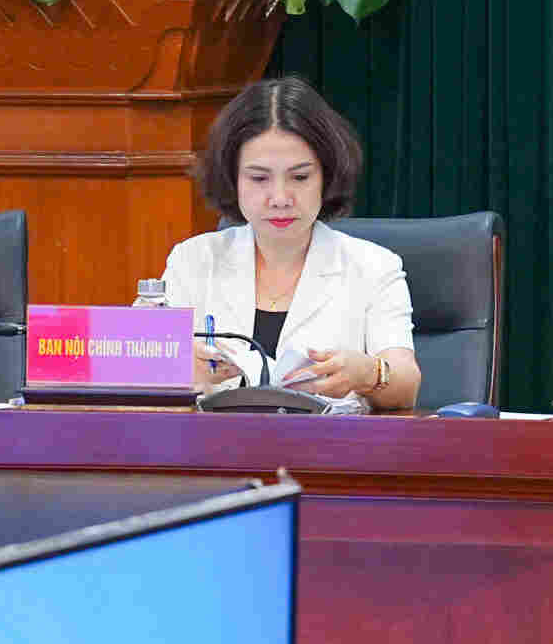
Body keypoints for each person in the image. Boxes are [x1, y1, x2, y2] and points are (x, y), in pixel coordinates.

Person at [160, 77, 420, 411]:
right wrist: (174, 366)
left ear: (326, 176)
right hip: (213, 452)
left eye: (299, 177)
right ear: (232, 178)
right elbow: (134, 368)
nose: (280, 198)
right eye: (258, 178)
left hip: (329, 454)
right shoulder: (192, 260)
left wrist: (368, 373)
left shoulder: (374, 266)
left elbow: (406, 384)